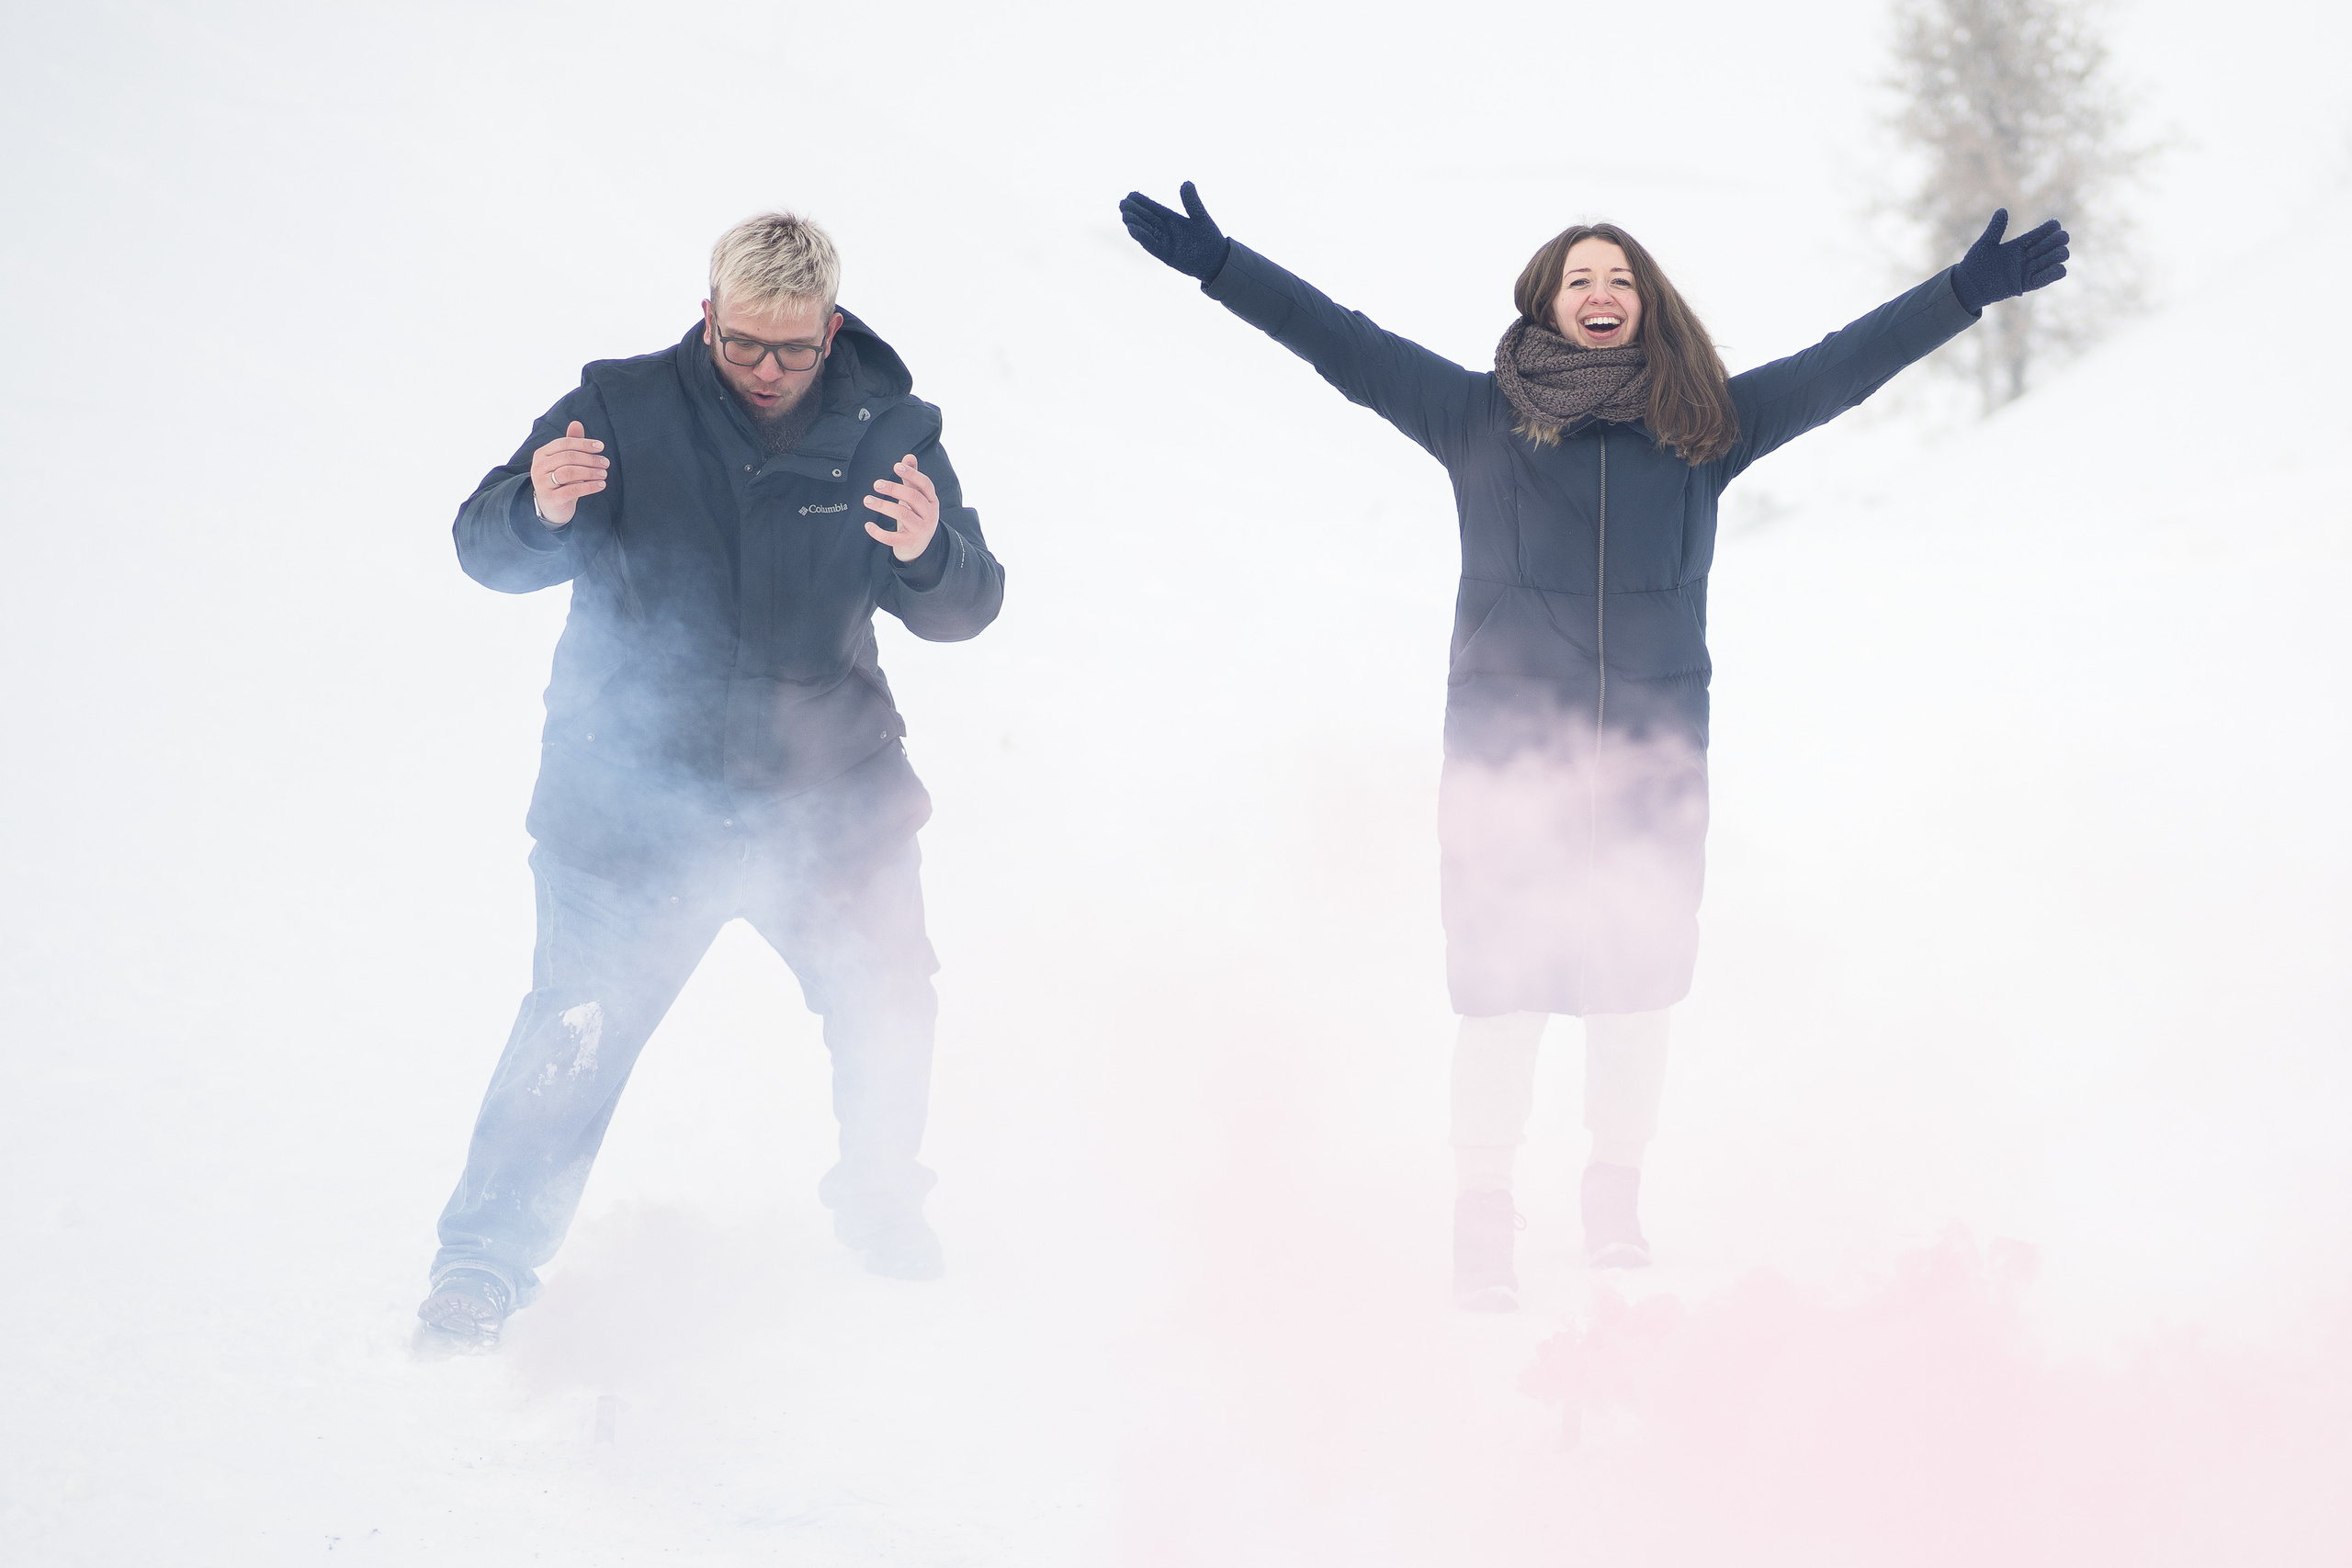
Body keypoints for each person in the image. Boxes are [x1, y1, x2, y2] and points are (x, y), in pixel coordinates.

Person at [1120, 181, 2066, 1311]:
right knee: (1502, 994)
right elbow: (1342, 341)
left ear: (1646, 302)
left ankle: (1612, 1192)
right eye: (1581, 278)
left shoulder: (1704, 427)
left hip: (1649, 765)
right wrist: (1224, 267)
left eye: (1620, 277)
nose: (1601, 292)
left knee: (1632, 991)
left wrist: (1963, 293)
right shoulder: (1474, 416)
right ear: (1547, 303)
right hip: (1506, 761)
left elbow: (1840, 365)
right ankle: (1482, 1206)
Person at [418, 212, 1005, 1345]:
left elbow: (967, 607)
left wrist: (933, 551)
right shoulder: (620, 410)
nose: (768, 370)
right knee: (572, 1028)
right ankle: (482, 1262)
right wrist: (537, 507)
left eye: (792, 348)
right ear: (707, 317)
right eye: (743, 345)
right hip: (633, 806)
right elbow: (480, 548)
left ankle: (882, 1207)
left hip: (828, 799)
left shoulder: (891, 433)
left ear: (830, 330)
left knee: (890, 1001)